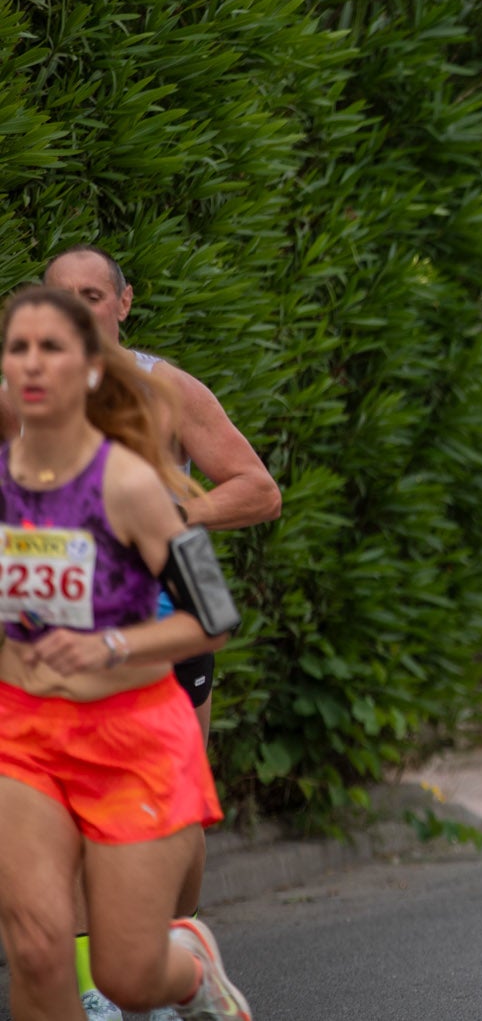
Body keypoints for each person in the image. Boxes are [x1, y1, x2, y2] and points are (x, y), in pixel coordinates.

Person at [36, 246, 283, 1018]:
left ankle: (178, 944)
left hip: (177, 606)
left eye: (92, 293)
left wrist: (183, 510)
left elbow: (258, 489)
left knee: (169, 811)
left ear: (123, 303)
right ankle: (96, 988)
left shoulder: (166, 388)